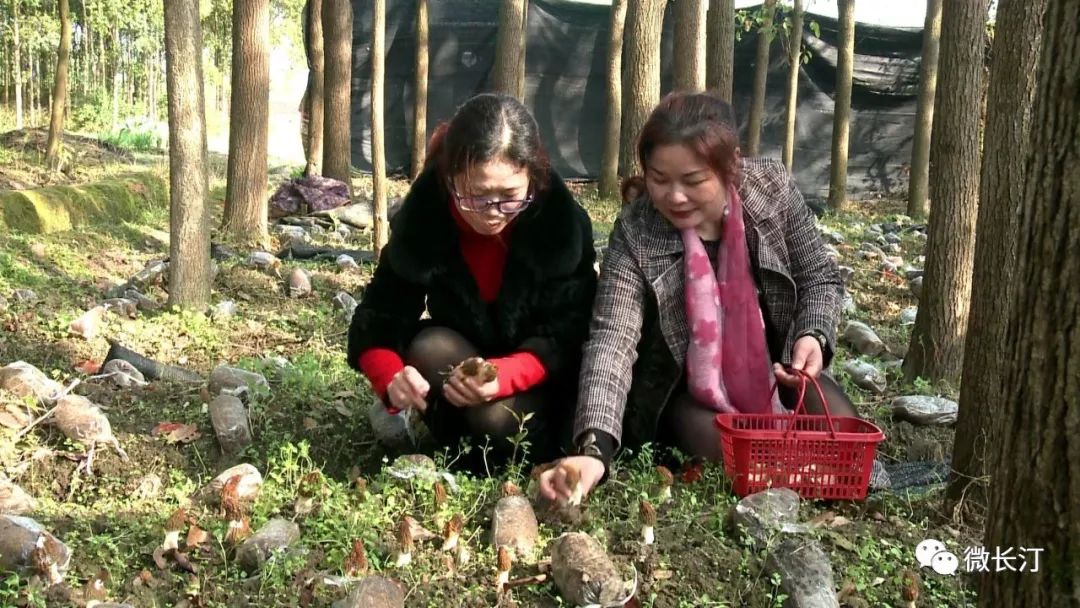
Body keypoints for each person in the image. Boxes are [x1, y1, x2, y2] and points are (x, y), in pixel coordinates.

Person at [540, 90, 855, 501]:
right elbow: (612, 342)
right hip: (688, 396)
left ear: (729, 167)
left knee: (846, 439)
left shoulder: (771, 190)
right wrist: (594, 449)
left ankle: (812, 472)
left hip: (777, 374)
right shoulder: (637, 230)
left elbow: (819, 277)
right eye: (659, 179)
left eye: (693, 181)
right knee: (743, 457)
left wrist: (812, 335)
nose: (674, 196)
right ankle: (797, 476)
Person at [347, 93, 598, 469]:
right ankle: (459, 439)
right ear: (450, 179)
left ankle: (507, 448)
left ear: (534, 177)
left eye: (510, 197)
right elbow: (380, 315)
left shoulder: (559, 225)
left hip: (541, 385)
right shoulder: (425, 217)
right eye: (476, 196)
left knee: (493, 417)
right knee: (427, 345)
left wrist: (505, 377)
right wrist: (391, 376)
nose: (493, 213)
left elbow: (570, 331)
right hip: (461, 370)